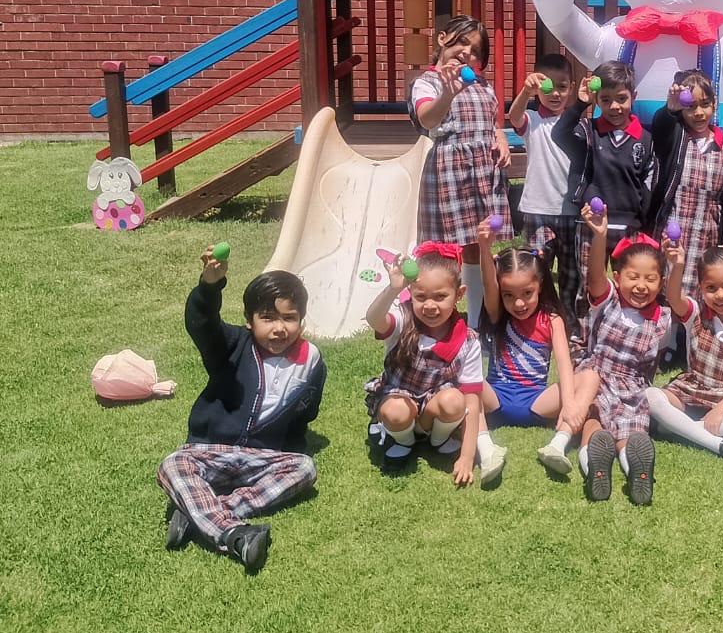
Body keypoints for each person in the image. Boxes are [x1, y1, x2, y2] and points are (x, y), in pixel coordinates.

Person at [157, 249, 325, 573]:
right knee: (173, 463)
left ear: (302, 320)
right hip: (210, 451)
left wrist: (287, 449)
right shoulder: (232, 344)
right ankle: (235, 534)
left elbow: (307, 413)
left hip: (260, 459)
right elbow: (202, 324)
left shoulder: (311, 361)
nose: (279, 328)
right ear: (250, 320)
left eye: (289, 318)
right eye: (268, 318)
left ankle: (197, 511)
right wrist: (209, 287)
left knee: (305, 467)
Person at [364, 243, 501, 486]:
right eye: (420, 296)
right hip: (400, 401)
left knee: (455, 400)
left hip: (434, 408)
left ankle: (438, 440)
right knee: (395, 411)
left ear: (459, 294)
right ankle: (404, 441)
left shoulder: (468, 340)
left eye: (440, 297)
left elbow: (472, 400)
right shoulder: (403, 319)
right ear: (411, 293)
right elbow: (374, 319)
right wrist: (393, 289)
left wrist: (467, 457)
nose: (429, 305)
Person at [409, 15, 512, 328]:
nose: (468, 52)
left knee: (478, 245)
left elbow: (492, 119)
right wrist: (448, 93)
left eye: (476, 50)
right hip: (450, 172)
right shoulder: (427, 82)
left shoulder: (481, 83)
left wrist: (500, 136)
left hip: (483, 171)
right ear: (442, 39)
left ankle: (478, 321)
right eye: (462, 42)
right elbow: (427, 119)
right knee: (444, 249)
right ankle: (435, 315)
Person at [571, 202, 671, 505]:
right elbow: (594, 278)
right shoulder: (608, 300)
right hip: (598, 377)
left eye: (650, 279)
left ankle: (636, 469)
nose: (641, 286)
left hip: (633, 386)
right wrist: (599, 235)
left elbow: (652, 361)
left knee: (633, 431)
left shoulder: (663, 317)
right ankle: (597, 464)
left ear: (661, 283)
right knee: (593, 419)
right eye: (633, 277)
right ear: (617, 277)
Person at [552, 60, 657, 331]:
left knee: (630, 284)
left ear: (634, 96)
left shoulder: (645, 139)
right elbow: (559, 134)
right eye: (606, 100)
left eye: (621, 98)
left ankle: (626, 334)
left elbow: (648, 183)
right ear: (597, 99)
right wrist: (580, 103)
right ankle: (583, 337)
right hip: (591, 224)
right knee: (589, 284)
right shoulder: (587, 131)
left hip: (629, 227)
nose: (614, 107)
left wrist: (643, 222)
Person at [474, 218, 582, 476]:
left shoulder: (552, 320)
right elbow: (489, 284)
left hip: (536, 403)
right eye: (509, 295)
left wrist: (569, 404)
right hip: (494, 399)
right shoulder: (498, 314)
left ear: (540, 286)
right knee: (464, 376)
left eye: (527, 293)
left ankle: (558, 443)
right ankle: (487, 450)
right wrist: (484, 248)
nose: (519, 303)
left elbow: (564, 363)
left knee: (589, 377)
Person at [645, 245, 723, 468]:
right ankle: (716, 443)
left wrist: (721, 410)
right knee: (649, 396)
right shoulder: (696, 314)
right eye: (711, 288)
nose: (720, 295)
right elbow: (673, 298)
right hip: (692, 391)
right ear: (701, 287)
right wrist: (678, 265)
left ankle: (680, 427)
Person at [650, 69, 723, 297]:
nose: (699, 113)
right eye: (690, 106)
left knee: (703, 294)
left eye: (705, 104)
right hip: (672, 236)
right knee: (666, 293)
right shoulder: (676, 136)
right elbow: (660, 128)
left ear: (714, 104)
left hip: (708, 237)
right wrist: (670, 110)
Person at [507, 53, 580, 312]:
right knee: (536, 268)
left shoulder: (577, 124)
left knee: (572, 274)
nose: (556, 94)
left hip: (570, 211)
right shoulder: (533, 120)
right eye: (549, 87)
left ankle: (569, 320)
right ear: (538, 88)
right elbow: (514, 117)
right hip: (537, 209)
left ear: (572, 88)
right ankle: (538, 315)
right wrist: (525, 93)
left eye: (563, 87)